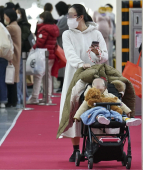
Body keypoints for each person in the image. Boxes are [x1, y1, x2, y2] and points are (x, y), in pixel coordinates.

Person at [58, 4, 108, 162]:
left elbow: (104, 54)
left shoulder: (96, 33)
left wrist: (98, 55)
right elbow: (69, 53)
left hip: (94, 76)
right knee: (73, 109)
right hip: (74, 75)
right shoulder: (67, 34)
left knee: (94, 108)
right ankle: (75, 149)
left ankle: (93, 145)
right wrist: (81, 64)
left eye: (71, 15)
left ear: (80, 17)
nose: (68, 18)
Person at [73, 78, 142, 126]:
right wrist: (77, 117)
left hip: (111, 113)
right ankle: (101, 117)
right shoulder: (90, 97)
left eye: (100, 89)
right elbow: (83, 107)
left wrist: (127, 111)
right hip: (97, 113)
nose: (98, 91)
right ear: (92, 87)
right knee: (97, 111)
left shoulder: (110, 95)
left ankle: (127, 119)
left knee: (119, 113)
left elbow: (120, 103)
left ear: (105, 88)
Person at [27, 11, 59, 104]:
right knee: (47, 76)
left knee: (38, 76)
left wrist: (32, 48)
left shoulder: (44, 29)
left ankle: (35, 97)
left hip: (42, 56)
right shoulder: (54, 28)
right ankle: (47, 97)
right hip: (51, 55)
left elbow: (40, 42)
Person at [4, 9, 21, 107]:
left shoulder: (10, 27)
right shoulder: (16, 26)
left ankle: (12, 101)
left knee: (11, 79)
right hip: (16, 55)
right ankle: (13, 100)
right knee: (13, 79)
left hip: (12, 55)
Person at [16, 7, 31, 105]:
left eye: (18, 12)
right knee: (21, 74)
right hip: (22, 52)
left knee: (20, 74)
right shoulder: (22, 24)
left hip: (22, 52)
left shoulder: (24, 25)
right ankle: (24, 95)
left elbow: (23, 38)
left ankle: (21, 96)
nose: (17, 14)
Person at [55, 1, 70, 93]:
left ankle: (62, 84)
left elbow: (58, 31)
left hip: (63, 46)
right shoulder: (65, 18)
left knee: (63, 66)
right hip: (63, 45)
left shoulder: (65, 19)